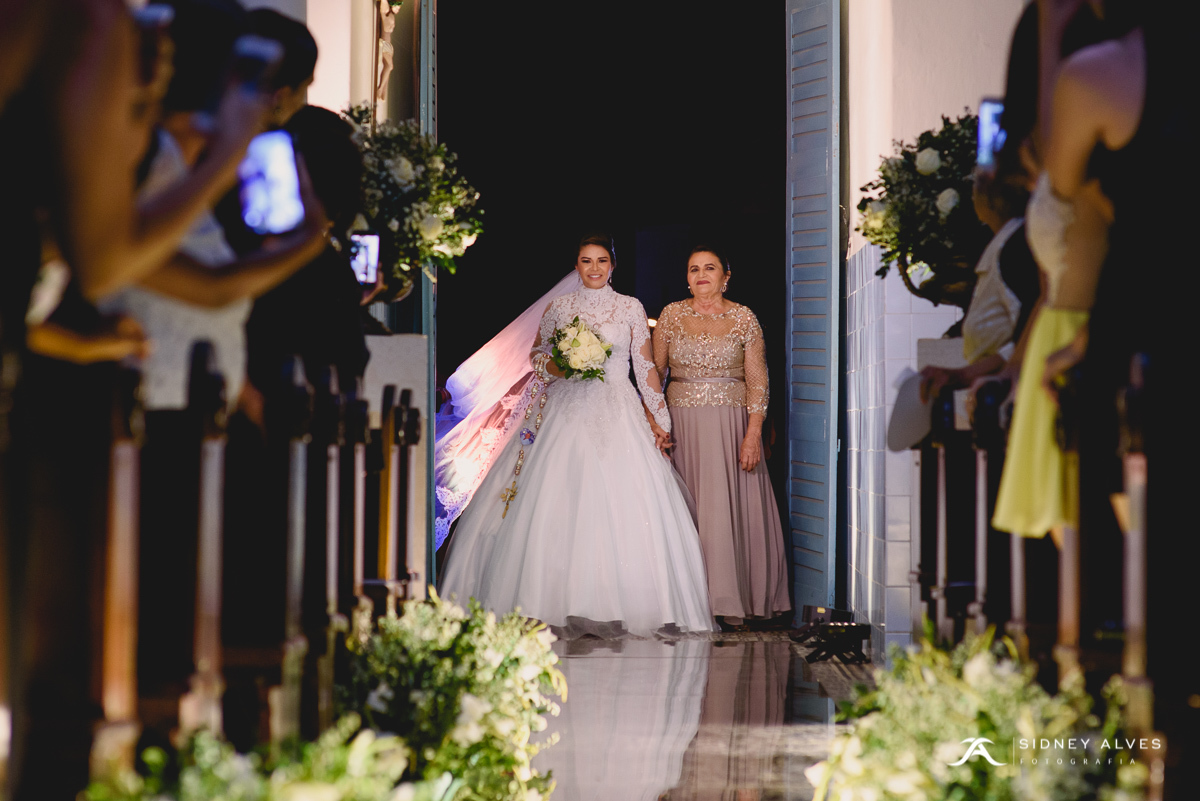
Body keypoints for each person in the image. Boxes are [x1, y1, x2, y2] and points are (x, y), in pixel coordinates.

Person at [438, 234, 713, 639]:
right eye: (586, 261)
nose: (594, 268)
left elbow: (645, 366)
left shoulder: (630, 307)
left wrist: (660, 419)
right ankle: (549, 601)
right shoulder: (560, 307)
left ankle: (625, 605)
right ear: (577, 265)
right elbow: (537, 356)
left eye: (602, 260)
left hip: (617, 406)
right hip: (566, 407)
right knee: (554, 494)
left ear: (613, 265)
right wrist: (560, 365)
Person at [651, 246, 790, 628]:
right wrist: (654, 422)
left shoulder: (744, 318)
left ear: (726, 276)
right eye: (693, 269)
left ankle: (729, 600)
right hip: (681, 427)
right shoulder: (671, 315)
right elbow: (654, 375)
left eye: (709, 268)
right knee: (685, 512)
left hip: (731, 428)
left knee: (726, 512)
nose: (701, 275)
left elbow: (758, 382)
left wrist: (753, 435)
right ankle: (687, 603)